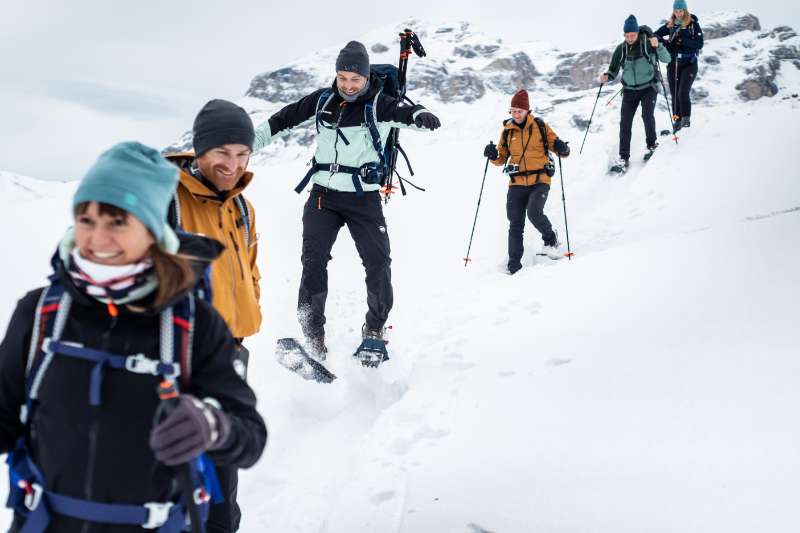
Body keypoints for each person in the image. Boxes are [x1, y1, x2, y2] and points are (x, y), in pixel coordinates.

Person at [0, 142, 267, 533]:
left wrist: (212, 425)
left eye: (118, 222)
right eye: (86, 220)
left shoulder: (192, 323)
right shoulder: (41, 313)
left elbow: (249, 436)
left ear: (153, 231)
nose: (97, 238)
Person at [251, 40, 441, 364]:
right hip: (322, 196)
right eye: (342, 78)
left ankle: (374, 330)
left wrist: (420, 114)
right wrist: (245, 146)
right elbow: (281, 120)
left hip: (363, 199)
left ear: (366, 77)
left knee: (378, 264)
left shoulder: (379, 104)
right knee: (313, 263)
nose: (348, 85)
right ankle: (313, 337)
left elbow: (405, 113)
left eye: (355, 79)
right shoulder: (322, 101)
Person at [165, 100, 262, 533]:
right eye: (222, 152)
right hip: (177, 358)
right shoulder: (167, 200)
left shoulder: (242, 208)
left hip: (230, 355)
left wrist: (249, 307)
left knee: (223, 487)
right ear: (200, 150)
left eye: (242, 154)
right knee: (173, 481)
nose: (233, 164)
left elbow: (251, 268)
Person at [483, 89, 571, 275]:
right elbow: (501, 158)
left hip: (540, 180)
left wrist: (561, 148)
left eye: (519, 111)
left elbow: (559, 148)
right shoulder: (507, 131)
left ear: (527, 111)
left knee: (534, 213)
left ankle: (550, 238)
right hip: (516, 182)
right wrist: (493, 155)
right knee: (515, 223)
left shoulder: (540, 126)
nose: (516, 114)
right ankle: (514, 264)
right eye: (513, 111)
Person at [599, 15, 672, 170]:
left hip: (648, 87)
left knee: (647, 115)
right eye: (627, 36)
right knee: (625, 123)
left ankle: (651, 146)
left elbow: (667, 59)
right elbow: (613, 70)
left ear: (637, 33)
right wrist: (607, 76)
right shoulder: (621, 49)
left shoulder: (648, 43)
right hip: (629, 90)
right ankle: (623, 158)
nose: (630, 39)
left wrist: (658, 46)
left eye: (632, 35)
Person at [655, 0, 704, 132]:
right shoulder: (671, 24)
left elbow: (699, 44)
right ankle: (677, 120)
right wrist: (665, 43)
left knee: (682, 92)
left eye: (681, 10)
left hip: (689, 63)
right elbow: (656, 35)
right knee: (675, 93)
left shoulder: (693, 24)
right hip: (673, 63)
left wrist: (683, 40)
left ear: (685, 10)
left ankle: (686, 120)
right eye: (676, 11)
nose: (678, 13)